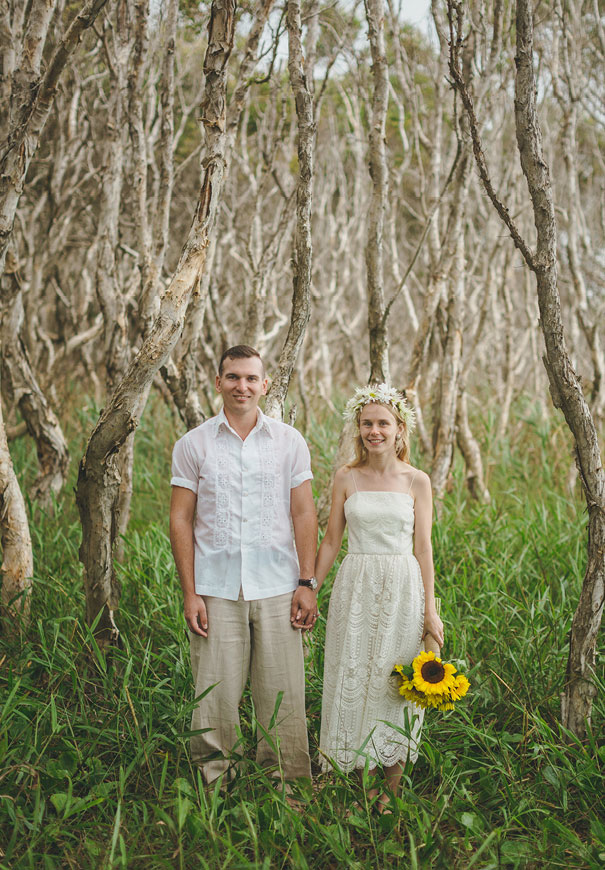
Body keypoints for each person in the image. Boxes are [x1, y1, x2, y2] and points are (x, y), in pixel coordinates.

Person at [169, 345, 318, 788]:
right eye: (233, 377)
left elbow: (304, 514)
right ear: (218, 382)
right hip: (216, 590)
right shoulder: (193, 444)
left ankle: (289, 787)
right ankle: (217, 786)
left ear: (265, 385)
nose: (242, 386)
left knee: (283, 694)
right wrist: (190, 593)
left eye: (251, 378)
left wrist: (307, 582)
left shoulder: (289, 442)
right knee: (215, 696)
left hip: (278, 586)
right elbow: (180, 519)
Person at [315, 383, 444, 813]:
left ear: (399, 429)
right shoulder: (346, 477)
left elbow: (424, 548)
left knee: (395, 682)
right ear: (358, 428)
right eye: (367, 423)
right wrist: (309, 588)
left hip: (403, 587)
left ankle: (392, 790)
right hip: (356, 586)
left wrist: (430, 610)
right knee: (358, 675)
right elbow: (331, 540)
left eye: (383, 423)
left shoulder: (417, 481)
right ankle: (365, 783)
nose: (375, 431)